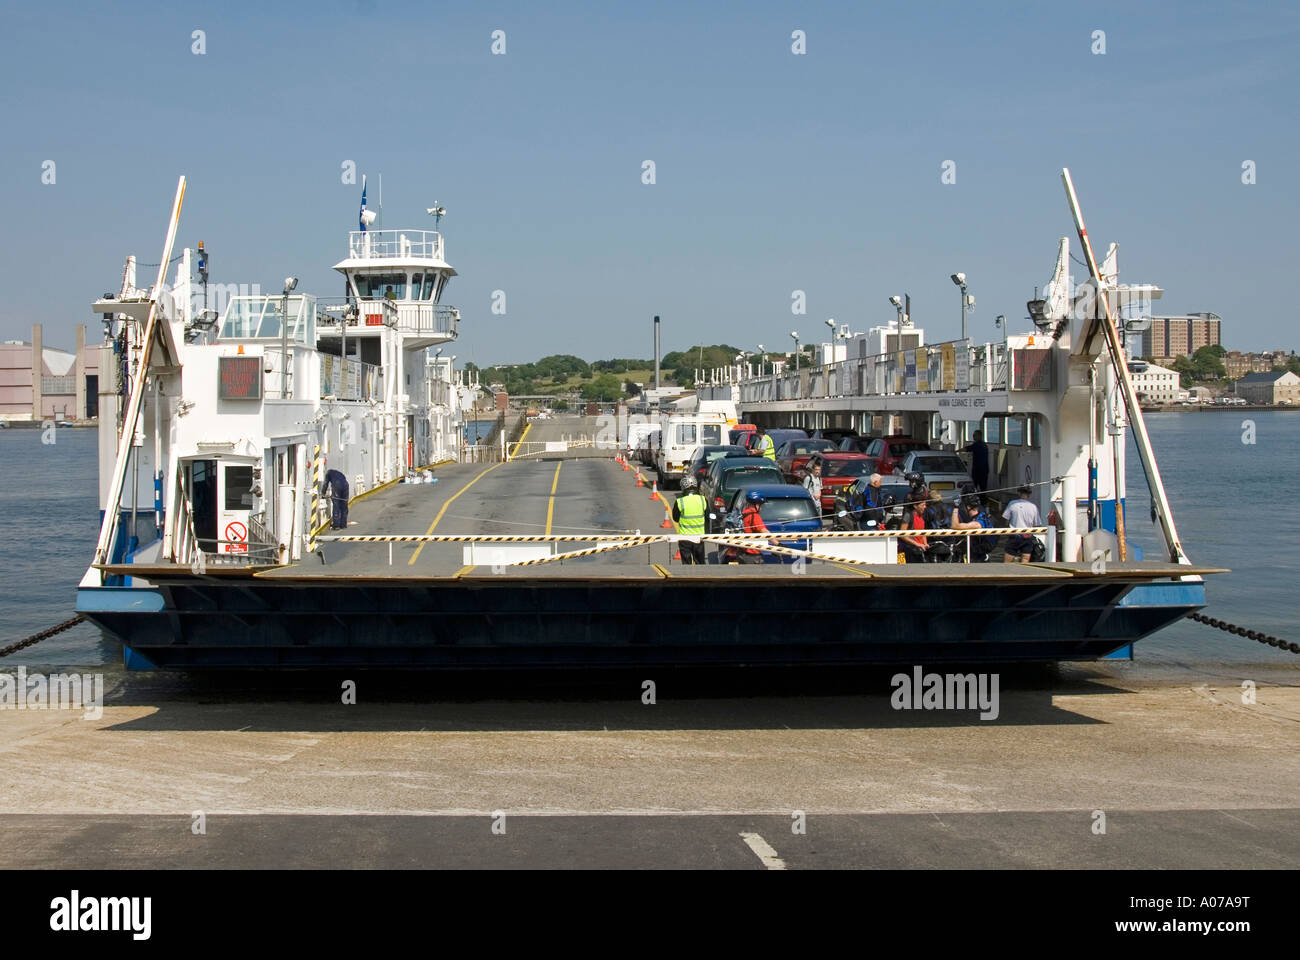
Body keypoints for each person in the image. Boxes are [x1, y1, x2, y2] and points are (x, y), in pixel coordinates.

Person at [671, 476, 708, 565]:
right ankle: (701, 577)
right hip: (699, 537)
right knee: (700, 563)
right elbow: (707, 516)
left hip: (685, 538)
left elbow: (675, 518)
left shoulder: (680, 501)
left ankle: (687, 578)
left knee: (686, 564)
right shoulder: (703, 500)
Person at [1002, 485, 1043, 562]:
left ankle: (1006, 572)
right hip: (1028, 536)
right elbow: (1037, 524)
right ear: (1029, 494)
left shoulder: (1012, 504)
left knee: (1008, 559)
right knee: (1025, 558)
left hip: (1014, 535)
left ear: (1019, 493)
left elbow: (1005, 519)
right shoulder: (1033, 507)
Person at [951, 494, 994, 562]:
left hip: (977, 557)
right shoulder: (981, 514)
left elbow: (955, 526)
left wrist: (956, 507)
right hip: (979, 552)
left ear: (968, 507)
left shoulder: (977, 523)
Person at [737, 489, 774, 563]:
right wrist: (777, 543)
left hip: (742, 552)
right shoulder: (754, 516)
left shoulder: (745, 513)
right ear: (756, 505)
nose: (761, 508)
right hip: (752, 553)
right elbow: (764, 532)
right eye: (761, 505)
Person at [899, 498, 930, 563]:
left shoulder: (922, 516)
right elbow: (902, 535)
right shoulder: (908, 515)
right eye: (923, 505)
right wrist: (917, 544)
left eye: (925, 505)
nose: (925, 507)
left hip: (921, 549)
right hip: (910, 548)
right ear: (915, 506)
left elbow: (923, 532)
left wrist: (925, 543)